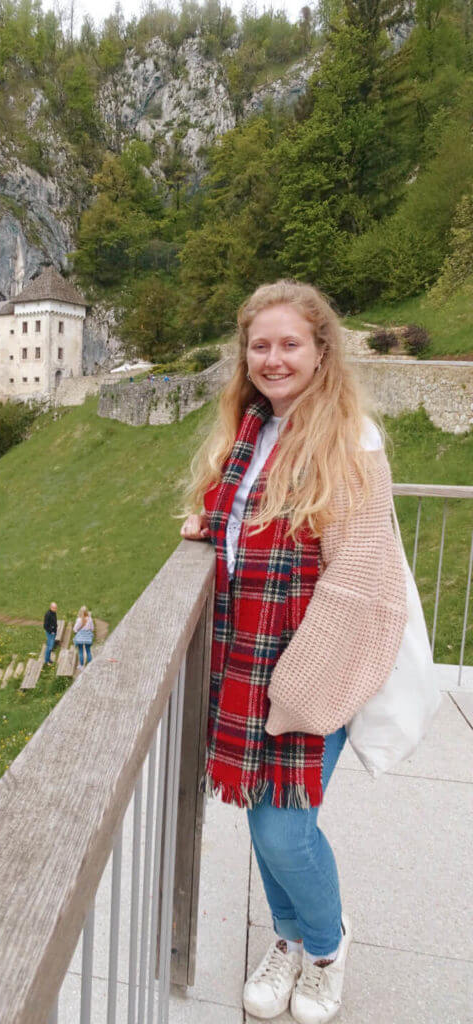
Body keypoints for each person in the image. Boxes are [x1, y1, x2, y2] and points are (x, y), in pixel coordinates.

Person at [180, 280, 406, 1024]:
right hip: (246, 658)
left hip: (313, 664)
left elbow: (362, 573)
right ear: (245, 355)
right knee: (262, 820)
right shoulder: (250, 429)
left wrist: (299, 690)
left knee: (284, 828)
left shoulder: (351, 438)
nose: (273, 359)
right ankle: (286, 940)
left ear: (320, 351)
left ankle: (327, 948)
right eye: (260, 345)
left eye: (289, 344)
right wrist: (206, 523)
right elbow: (239, 520)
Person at [43, 601, 58, 666]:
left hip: (54, 632)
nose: (55, 609)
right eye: (54, 608)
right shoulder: (48, 614)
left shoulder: (54, 613)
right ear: (51, 607)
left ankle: (49, 659)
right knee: (49, 647)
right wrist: (51, 631)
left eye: (56, 608)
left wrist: (55, 626)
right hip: (50, 633)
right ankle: (46, 661)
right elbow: (45, 626)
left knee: (50, 647)